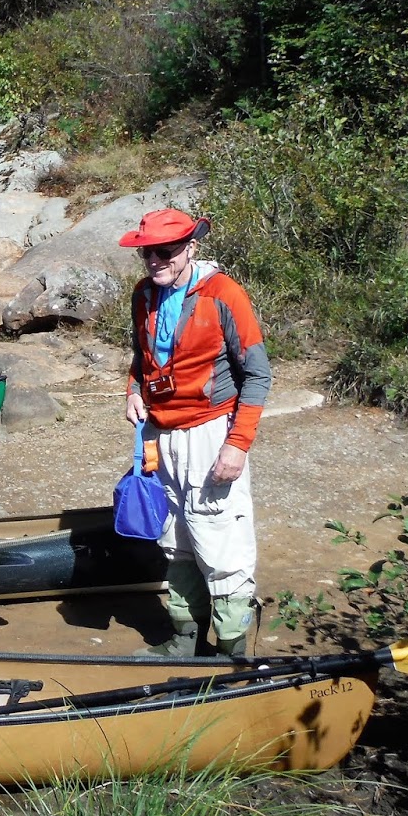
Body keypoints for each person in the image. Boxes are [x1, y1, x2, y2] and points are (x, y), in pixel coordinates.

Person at [120, 208, 271, 658]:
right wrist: (132, 391)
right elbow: (141, 358)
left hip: (211, 431)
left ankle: (232, 654)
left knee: (222, 541)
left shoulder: (224, 294)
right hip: (160, 432)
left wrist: (237, 445)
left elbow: (257, 375)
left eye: (165, 251)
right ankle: (184, 640)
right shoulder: (143, 294)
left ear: (190, 248)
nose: (154, 260)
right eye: (147, 252)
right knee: (175, 539)